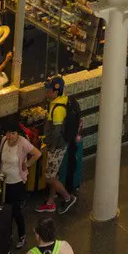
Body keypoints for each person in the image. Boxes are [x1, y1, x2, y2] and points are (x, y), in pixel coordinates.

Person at [0, 123, 41, 248]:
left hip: (16, 181)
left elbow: (37, 153)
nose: (10, 136)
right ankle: (8, 233)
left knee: (16, 210)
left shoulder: (23, 143)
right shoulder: (4, 141)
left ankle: (22, 235)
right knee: (6, 208)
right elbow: (1, 159)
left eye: (13, 133)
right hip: (4, 180)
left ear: (18, 134)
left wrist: (26, 164)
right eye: (8, 133)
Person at [40, 76, 79, 210]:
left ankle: (68, 198)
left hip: (57, 147)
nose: (46, 92)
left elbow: (56, 132)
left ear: (56, 92)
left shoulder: (58, 109)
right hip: (59, 145)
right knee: (54, 174)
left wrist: (48, 145)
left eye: (48, 90)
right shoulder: (59, 102)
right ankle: (50, 202)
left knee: (49, 178)